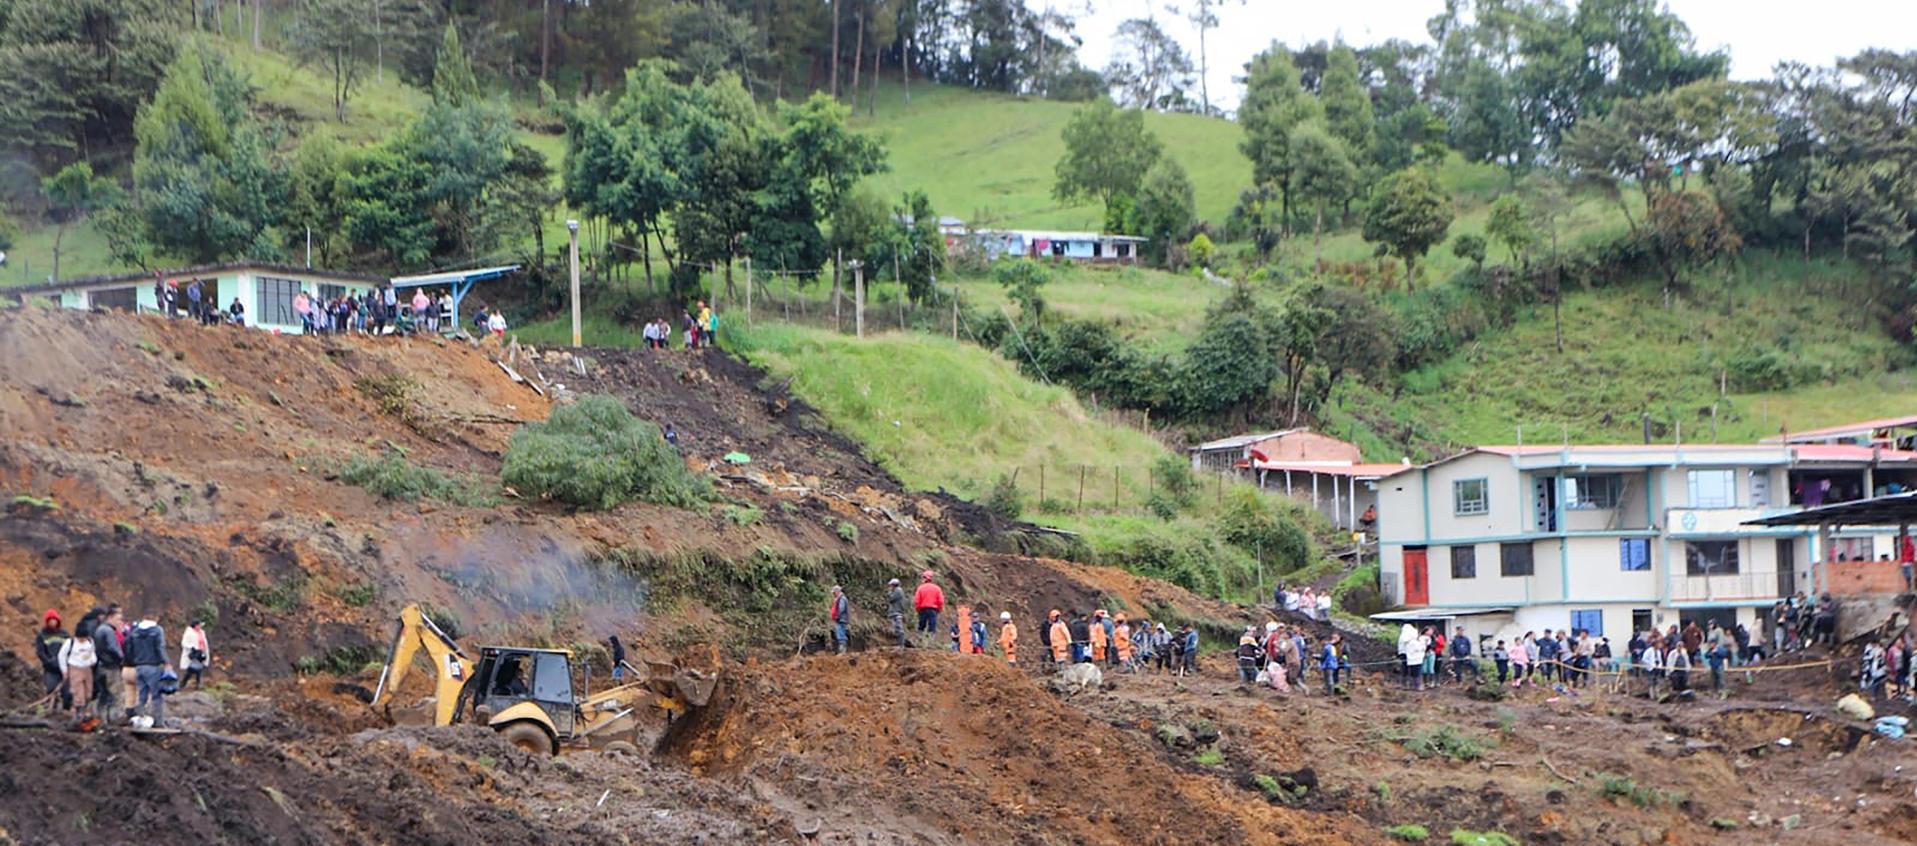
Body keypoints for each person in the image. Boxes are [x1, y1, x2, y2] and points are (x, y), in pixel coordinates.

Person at [126, 614, 170, 726]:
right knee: (156, 695)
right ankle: (158, 722)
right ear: (156, 618)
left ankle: (140, 720)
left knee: (142, 695)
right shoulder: (157, 630)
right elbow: (160, 647)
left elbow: (129, 648)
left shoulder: (135, 631)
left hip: (139, 666)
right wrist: (166, 662)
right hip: (153, 666)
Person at [89, 605, 125, 719]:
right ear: (110, 617)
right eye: (118, 619)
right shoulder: (108, 631)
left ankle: (101, 719)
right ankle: (113, 720)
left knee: (103, 695)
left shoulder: (99, 629)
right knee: (114, 696)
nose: (120, 622)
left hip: (100, 667)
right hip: (110, 667)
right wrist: (123, 659)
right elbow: (113, 648)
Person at [56, 617, 96, 720]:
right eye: (81, 638)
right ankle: (78, 713)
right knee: (78, 693)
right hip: (75, 668)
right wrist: (64, 670)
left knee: (88, 693)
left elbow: (93, 653)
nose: (82, 640)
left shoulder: (90, 642)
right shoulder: (70, 642)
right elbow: (61, 655)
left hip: (87, 669)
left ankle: (86, 711)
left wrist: (92, 660)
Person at [35, 610, 70, 709]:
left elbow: (70, 649)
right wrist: (49, 662)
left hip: (64, 669)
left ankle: (66, 712)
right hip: (51, 669)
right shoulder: (42, 635)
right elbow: (41, 652)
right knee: (51, 689)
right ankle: (51, 711)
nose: (53, 622)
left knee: (67, 694)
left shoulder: (64, 634)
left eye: (54, 620)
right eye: (50, 620)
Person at [913, 571, 944, 647]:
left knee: (921, 626)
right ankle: (930, 643)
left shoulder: (920, 588)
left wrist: (918, 609)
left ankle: (919, 642)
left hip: (922, 609)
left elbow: (917, 600)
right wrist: (939, 609)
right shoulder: (937, 588)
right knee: (932, 626)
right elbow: (941, 601)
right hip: (933, 610)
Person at [178, 619, 210, 690]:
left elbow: (204, 642)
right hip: (193, 654)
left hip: (201, 653)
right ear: (195, 626)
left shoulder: (202, 632)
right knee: (191, 669)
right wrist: (192, 647)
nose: (200, 627)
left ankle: (198, 684)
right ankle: (183, 683)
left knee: (200, 668)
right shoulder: (189, 633)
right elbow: (184, 643)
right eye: (199, 625)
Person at [885, 578, 908, 648]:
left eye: (891, 586)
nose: (890, 587)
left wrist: (889, 593)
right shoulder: (897, 591)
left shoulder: (898, 591)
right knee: (896, 629)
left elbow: (890, 599)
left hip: (897, 612)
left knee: (899, 628)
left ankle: (901, 645)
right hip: (895, 612)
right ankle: (899, 644)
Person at [828, 585, 851, 654]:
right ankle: (841, 651)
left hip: (841, 619)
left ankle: (842, 651)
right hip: (841, 619)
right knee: (840, 633)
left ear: (837, 592)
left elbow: (841, 609)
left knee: (841, 634)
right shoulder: (840, 598)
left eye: (834, 593)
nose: (833, 594)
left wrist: (836, 616)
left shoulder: (842, 599)